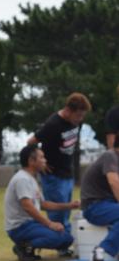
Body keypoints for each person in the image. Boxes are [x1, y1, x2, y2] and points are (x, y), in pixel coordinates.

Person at [27, 92, 91, 232]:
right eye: (78, 116)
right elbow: (31, 143)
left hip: (67, 172)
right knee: (58, 213)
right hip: (53, 176)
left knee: (67, 209)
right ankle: (59, 242)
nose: (80, 120)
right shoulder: (53, 124)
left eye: (82, 116)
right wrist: (40, 163)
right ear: (68, 111)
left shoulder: (76, 123)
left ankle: (64, 241)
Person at [3, 145, 78, 261]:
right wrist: (49, 224)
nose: (45, 160)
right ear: (31, 161)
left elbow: (43, 204)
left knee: (67, 239)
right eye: (42, 157)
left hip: (31, 225)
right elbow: (27, 206)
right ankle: (24, 246)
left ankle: (28, 245)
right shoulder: (22, 179)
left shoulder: (31, 179)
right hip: (20, 227)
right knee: (56, 238)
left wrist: (69, 205)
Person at [81, 140, 119, 261]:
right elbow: (114, 183)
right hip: (95, 206)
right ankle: (101, 250)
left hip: (106, 205)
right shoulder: (110, 156)